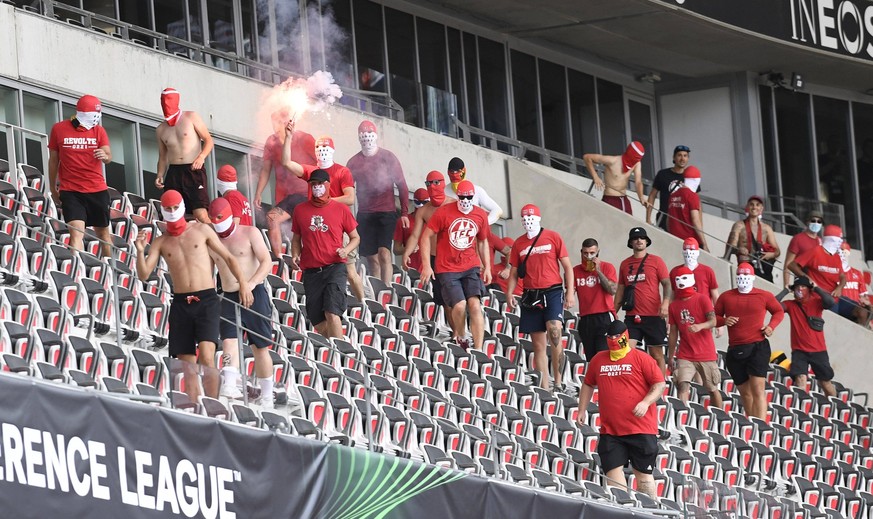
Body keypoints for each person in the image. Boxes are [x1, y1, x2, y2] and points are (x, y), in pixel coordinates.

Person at [135, 190, 253, 399]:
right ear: (162, 211)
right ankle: (195, 411)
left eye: (174, 208)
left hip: (206, 299)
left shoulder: (201, 230)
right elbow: (144, 274)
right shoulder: (161, 242)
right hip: (181, 302)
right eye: (168, 209)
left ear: (181, 207)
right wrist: (138, 250)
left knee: (207, 357)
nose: (172, 212)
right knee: (186, 365)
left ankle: (214, 406)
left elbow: (228, 257)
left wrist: (243, 283)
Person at [577, 320, 665, 499]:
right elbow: (588, 384)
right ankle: (622, 509)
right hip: (611, 430)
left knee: (644, 477)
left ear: (625, 336)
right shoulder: (599, 359)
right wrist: (581, 410)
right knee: (613, 478)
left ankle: (649, 511)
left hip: (640, 428)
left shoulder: (641, 358)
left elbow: (660, 384)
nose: (613, 340)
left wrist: (646, 402)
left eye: (617, 337)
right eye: (610, 337)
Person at [281, 120, 364, 301]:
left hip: (338, 224)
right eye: (318, 146)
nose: (322, 149)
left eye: (325, 146)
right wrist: (288, 137)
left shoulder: (342, 172)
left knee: (349, 270)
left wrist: (326, 202)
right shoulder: (312, 172)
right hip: (316, 224)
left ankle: (363, 304)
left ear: (333, 149)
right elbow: (286, 162)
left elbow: (350, 198)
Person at [207, 198, 274, 407]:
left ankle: (267, 394)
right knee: (229, 339)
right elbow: (210, 272)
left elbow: (266, 261)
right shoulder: (212, 241)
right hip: (228, 294)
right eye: (213, 219)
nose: (217, 222)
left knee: (260, 346)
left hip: (255, 293)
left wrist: (251, 284)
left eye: (220, 218)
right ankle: (229, 381)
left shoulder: (250, 232)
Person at [505, 204, 576, 392]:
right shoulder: (519, 243)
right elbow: (513, 271)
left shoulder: (553, 237)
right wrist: (510, 292)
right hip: (531, 293)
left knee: (555, 333)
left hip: (552, 290)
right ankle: (545, 385)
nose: (528, 221)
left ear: (538, 218)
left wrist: (570, 292)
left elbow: (567, 266)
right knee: (538, 343)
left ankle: (559, 382)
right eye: (525, 218)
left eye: (531, 217)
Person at [419, 180, 492, 350]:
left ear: (474, 197)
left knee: (475, 305)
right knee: (459, 305)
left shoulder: (480, 215)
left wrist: (487, 267)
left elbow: (482, 242)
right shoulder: (443, 212)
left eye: (469, 198)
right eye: (462, 197)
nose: (465, 201)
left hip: (470, 265)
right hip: (447, 267)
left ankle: (479, 349)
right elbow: (425, 237)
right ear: (457, 196)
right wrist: (426, 265)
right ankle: (461, 335)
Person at [289, 169, 360, 339]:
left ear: (328, 185)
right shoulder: (300, 210)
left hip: (334, 267)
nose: (317, 187)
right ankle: (343, 346)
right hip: (311, 272)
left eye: (320, 184)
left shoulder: (341, 209)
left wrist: (346, 250)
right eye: (313, 184)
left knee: (332, 312)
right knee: (318, 321)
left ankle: (339, 356)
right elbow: (296, 239)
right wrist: (294, 255)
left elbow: (355, 238)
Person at [713, 263, 784, 420]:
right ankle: (752, 423)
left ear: (752, 277)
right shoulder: (726, 296)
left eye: (746, 276)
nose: (742, 279)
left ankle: (760, 427)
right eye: (740, 275)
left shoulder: (764, 295)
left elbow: (778, 311)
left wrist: (771, 326)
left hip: (758, 346)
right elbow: (714, 317)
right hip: (736, 349)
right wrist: (724, 320)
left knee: (758, 389)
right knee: (745, 392)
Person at [47, 94, 113, 258]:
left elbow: (109, 155)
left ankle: (111, 271)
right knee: (76, 233)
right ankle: (76, 270)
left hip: (97, 189)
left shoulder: (99, 130)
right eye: (93, 115)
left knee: (103, 234)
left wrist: (104, 156)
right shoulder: (59, 129)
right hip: (71, 190)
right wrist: (52, 187)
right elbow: (53, 160)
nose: (95, 119)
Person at [347, 120, 410, 284]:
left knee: (384, 252)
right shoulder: (354, 162)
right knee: (372, 258)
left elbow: (402, 185)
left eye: (369, 135)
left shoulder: (387, 157)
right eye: (363, 136)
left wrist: (404, 213)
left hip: (386, 211)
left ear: (375, 136)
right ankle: (377, 290)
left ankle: (387, 287)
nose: (366, 139)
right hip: (365, 213)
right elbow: (345, 189)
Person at [254, 109, 316, 255]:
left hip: (307, 194)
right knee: (273, 219)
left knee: (301, 233)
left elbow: (322, 164)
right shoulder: (271, 142)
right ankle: (279, 259)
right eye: (273, 122)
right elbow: (265, 169)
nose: (275, 126)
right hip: (289, 197)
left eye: (278, 122)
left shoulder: (305, 138)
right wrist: (258, 193)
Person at [613, 227, 671, 375]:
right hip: (632, 316)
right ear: (631, 242)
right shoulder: (625, 264)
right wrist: (613, 312)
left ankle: (660, 387)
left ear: (646, 241)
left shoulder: (656, 261)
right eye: (635, 238)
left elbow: (667, 284)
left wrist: (665, 303)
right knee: (627, 351)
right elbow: (620, 290)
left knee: (656, 354)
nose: (639, 240)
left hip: (653, 315)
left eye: (642, 238)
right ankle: (633, 382)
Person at [155, 88, 214, 224]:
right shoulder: (160, 129)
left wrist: (201, 157)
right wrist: (159, 174)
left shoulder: (191, 117)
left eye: (169, 100)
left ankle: (213, 243)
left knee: (201, 214)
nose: (166, 104)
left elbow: (209, 140)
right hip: (174, 172)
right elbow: (162, 156)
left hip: (193, 169)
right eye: (163, 101)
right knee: (173, 215)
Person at [666, 266, 722, 408]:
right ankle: (683, 413)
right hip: (685, 353)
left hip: (705, 352)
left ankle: (719, 414)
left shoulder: (703, 299)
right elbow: (673, 332)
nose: (681, 282)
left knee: (712, 388)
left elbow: (713, 321)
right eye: (677, 279)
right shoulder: (674, 306)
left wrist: (700, 326)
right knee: (682, 384)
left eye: (684, 278)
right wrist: (671, 355)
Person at [402, 171, 452, 327]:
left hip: (453, 258)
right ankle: (457, 334)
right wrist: (407, 253)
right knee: (444, 300)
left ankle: (462, 332)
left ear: (443, 183)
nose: (432, 186)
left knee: (458, 299)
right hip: (435, 258)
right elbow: (415, 235)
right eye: (429, 183)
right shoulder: (424, 211)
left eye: (436, 182)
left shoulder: (454, 204)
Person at [775, 276, 836, 397]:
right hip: (799, 351)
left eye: (802, 286)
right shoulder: (791, 305)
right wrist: (786, 290)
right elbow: (773, 305)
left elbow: (830, 302)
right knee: (800, 380)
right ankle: (802, 407)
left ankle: (835, 407)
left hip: (818, 351)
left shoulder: (816, 302)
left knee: (825, 383)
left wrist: (817, 288)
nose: (799, 289)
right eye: (797, 287)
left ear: (809, 289)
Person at [573, 238, 617, 362]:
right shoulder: (575, 271)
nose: (589, 256)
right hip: (586, 318)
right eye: (585, 253)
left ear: (598, 252)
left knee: (603, 356)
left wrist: (598, 270)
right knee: (591, 360)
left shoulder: (607, 267)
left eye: (592, 253)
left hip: (604, 316)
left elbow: (612, 289)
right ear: (581, 252)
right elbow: (570, 293)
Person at [670, 237, 722, 337]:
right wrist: (670, 320)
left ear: (698, 252)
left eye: (692, 249)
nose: (689, 253)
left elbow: (716, 297)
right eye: (686, 249)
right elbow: (673, 295)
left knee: (704, 343)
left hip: (703, 316)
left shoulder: (707, 271)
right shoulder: (675, 272)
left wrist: (719, 321)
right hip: (682, 315)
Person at [724, 196, 780, 282]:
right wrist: (739, 249)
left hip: (763, 269)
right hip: (745, 267)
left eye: (757, 205)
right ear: (747, 207)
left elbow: (777, 251)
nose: (754, 207)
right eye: (751, 204)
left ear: (761, 209)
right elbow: (730, 246)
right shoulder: (739, 225)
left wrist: (770, 254)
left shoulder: (766, 228)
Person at [787, 224, 846, 307]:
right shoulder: (815, 251)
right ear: (831, 240)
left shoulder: (837, 257)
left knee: (864, 311)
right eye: (839, 240)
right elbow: (792, 265)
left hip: (834, 298)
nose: (840, 243)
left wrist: (840, 287)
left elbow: (843, 276)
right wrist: (807, 278)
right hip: (816, 298)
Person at [583, 141, 647, 215]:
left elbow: (638, 182)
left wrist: (641, 197)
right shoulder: (612, 160)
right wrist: (596, 177)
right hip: (610, 199)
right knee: (610, 225)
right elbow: (587, 157)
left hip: (624, 199)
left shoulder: (637, 163)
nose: (635, 161)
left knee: (629, 225)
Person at [444, 157, 503, 224]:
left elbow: (497, 210)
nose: (454, 175)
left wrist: (481, 225)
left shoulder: (477, 191)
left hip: (474, 231)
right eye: (452, 172)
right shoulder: (444, 192)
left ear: (463, 171)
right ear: (448, 172)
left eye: (458, 171)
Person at [647, 145, 690, 230]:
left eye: (685, 156)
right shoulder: (663, 174)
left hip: (683, 222)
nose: (682, 158)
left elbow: (696, 202)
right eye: (679, 155)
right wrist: (648, 218)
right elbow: (652, 195)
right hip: (663, 219)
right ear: (674, 157)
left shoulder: (690, 177)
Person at [666, 166, 709, 250]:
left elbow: (668, 220)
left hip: (674, 239)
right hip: (691, 241)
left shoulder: (673, 195)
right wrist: (704, 244)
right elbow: (696, 220)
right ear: (695, 181)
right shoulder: (692, 196)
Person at [783, 211, 824, 289]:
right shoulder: (798, 239)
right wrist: (786, 285)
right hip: (802, 283)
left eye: (819, 221)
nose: (816, 223)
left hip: (818, 284)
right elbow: (788, 264)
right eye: (813, 221)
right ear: (807, 222)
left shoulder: (821, 241)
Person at [393, 188, 429, 274]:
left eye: (424, 202)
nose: (421, 205)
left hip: (430, 268)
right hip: (411, 269)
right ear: (414, 202)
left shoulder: (435, 220)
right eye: (418, 202)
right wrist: (408, 249)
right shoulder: (404, 221)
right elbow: (396, 250)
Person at [837, 241, 870, 324]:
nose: (843, 254)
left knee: (865, 311)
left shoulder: (857, 273)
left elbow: (864, 296)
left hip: (854, 308)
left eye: (845, 252)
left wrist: (866, 302)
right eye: (840, 251)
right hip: (839, 306)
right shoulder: (832, 271)